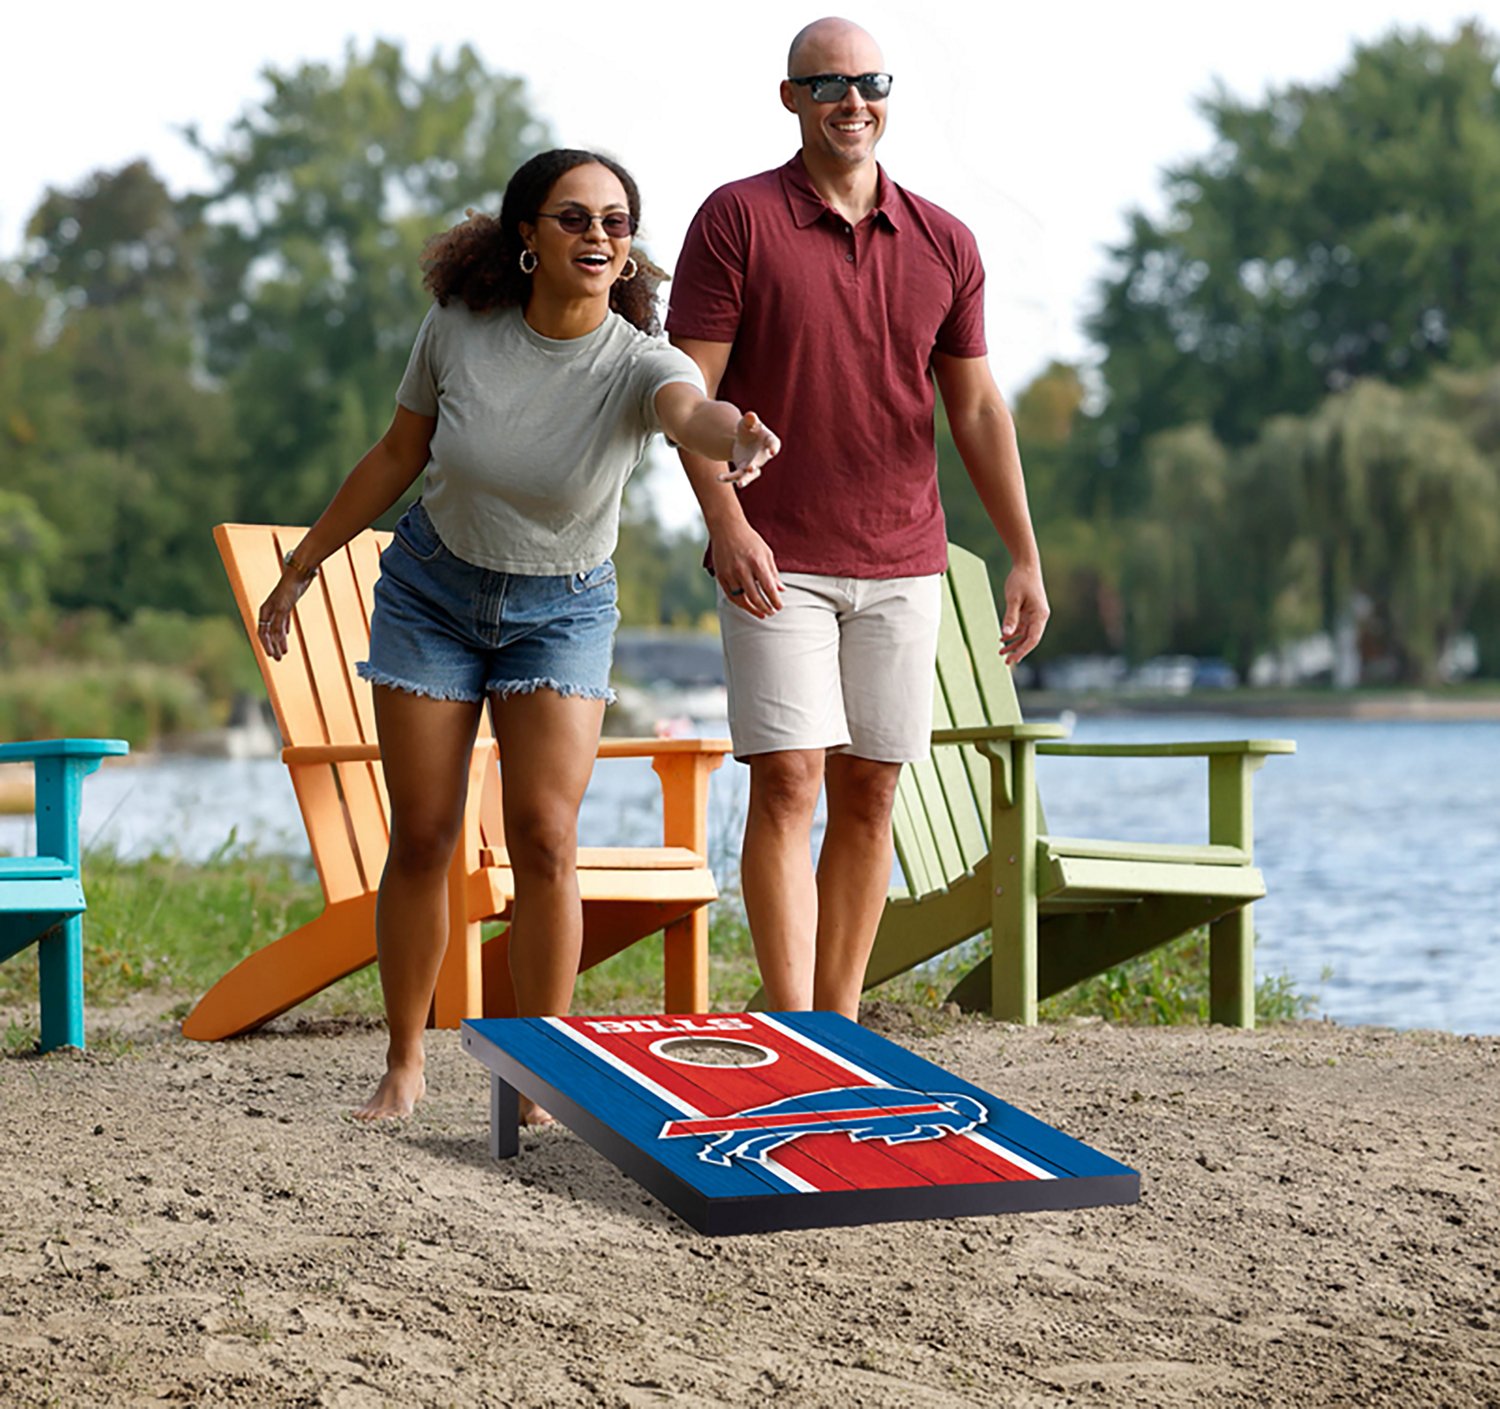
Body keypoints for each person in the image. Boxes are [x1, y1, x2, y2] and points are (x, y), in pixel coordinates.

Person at [255, 148, 781, 1121]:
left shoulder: (639, 359)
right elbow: (398, 453)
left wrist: (734, 437)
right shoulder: (460, 329)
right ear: (528, 238)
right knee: (423, 833)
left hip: (563, 610)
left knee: (545, 837)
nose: (597, 235)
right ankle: (406, 1062)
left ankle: (542, 1072)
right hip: (432, 595)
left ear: (628, 252)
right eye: (574, 218)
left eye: (615, 223)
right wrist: (307, 561)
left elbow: (688, 414)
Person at [666, 18, 1049, 1019]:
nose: (853, 100)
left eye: (870, 82)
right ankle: (791, 1020)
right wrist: (727, 523)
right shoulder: (734, 221)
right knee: (789, 779)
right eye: (828, 84)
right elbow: (682, 397)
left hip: (903, 558)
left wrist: (1022, 553)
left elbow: (975, 407)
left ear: (888, 94)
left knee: (872, 789)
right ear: (789, 98)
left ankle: (835, 1020)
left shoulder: (944, 241)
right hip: (775, 556)